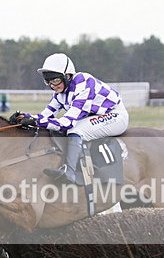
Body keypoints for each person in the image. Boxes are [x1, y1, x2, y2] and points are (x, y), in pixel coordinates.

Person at [13, 53, 129, 184]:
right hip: (96, 116)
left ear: (67, 76)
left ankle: (70, 172)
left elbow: (67, 122)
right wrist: (25, 117)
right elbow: (46, 115)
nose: (53, 86)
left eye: (56, 80)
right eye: (48, 82)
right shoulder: (60, 92)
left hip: (116, 116)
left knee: (76, 131)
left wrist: (37, 121)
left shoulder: (84, 84)